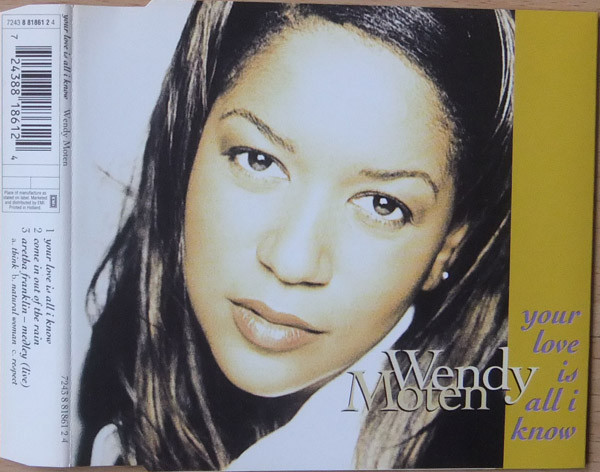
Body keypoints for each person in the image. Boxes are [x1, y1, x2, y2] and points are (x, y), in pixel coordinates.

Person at [77, 2, 514, 470]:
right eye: (258, 160)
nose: (292, 261)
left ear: (449, 247)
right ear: (189, 143)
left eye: (381, 205)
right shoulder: (113, 377)